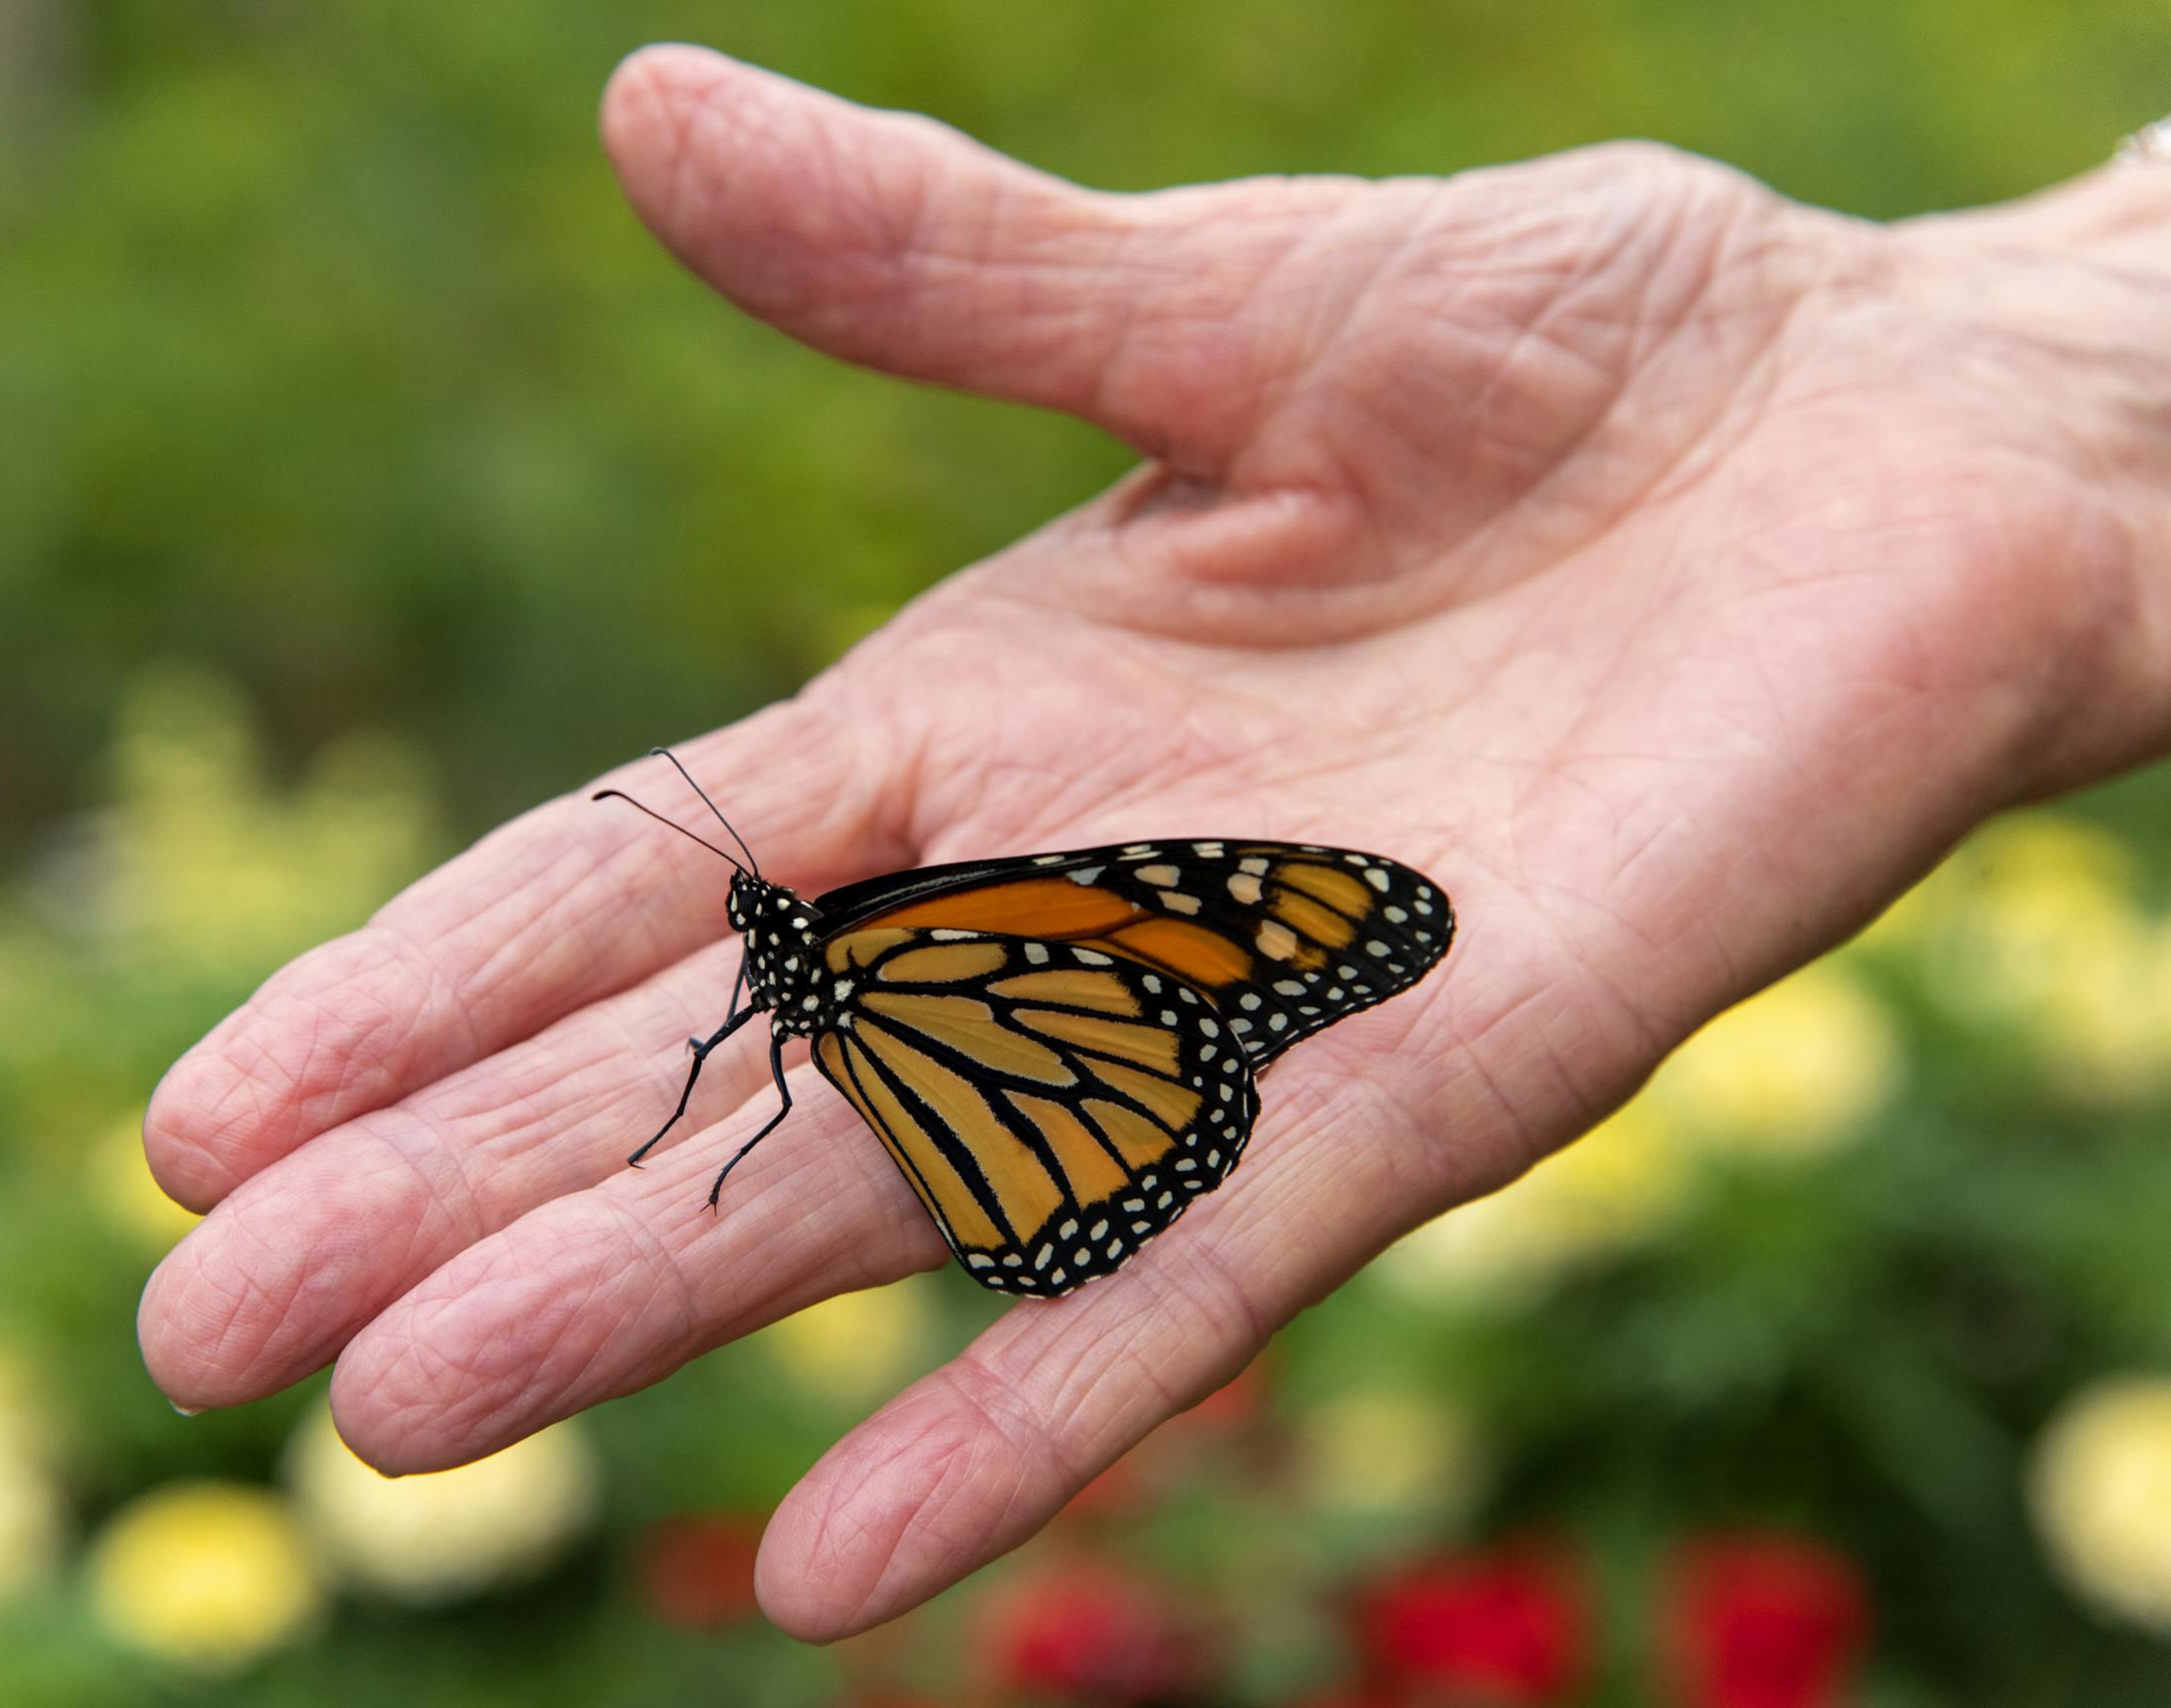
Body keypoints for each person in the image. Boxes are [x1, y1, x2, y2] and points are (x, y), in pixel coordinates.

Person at [134, 46, 2171, 1640]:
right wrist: (2052, 348)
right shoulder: (845, 967)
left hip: (1089, 1098)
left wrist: (2044, 379)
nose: (758, 929)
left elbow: (1148, 948)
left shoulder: (888, 948)